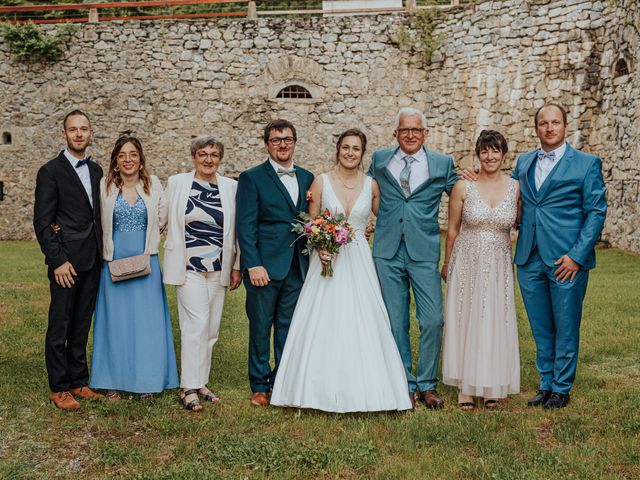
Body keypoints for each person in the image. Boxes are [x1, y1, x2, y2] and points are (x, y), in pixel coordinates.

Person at [461, 104, 607, 408]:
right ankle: (544, 384)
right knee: (540, 326)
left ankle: (561, 388)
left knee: (566, 324)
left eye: (555, 123)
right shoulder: (525, 163)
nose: (549, 128)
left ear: (565, 126)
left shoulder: (586, 164)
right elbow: (502, 189)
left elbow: (595, 212)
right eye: (543, 123)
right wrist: (474, 175)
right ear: (536, 128)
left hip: (566, 260)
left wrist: (577, 256)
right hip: (529, 257)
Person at [271, 129, 412, 413]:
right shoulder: (320, 181)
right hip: (326, 258)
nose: (350, 152)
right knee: (322, 318)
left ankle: (369, 388)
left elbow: (384, 219)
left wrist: (368, 230)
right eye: (346, 147)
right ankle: (313, 389)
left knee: (363, 318)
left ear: (362, 153)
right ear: (338, 150)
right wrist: (319, 244)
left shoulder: (372, 184)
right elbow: (310, 223)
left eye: (356, 148)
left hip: (358, 259)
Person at [368, 107, 457, 409]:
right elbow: (362, 188)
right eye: (404, 130)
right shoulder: (380, 160)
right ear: (395, 133)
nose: (410, 135)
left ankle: (428, 384)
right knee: (395, 321)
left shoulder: (442, 164)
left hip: (424, 250)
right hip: (387, 250)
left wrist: (477, 177)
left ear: (425, 134)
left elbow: (460, 192)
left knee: (432, 319)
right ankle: (403, 382)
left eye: (416, 130)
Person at [89, 133, 179, 400]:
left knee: (147, 326)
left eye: (133, 155)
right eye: (122, 156)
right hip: (113, 264)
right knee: (114, 325)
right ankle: (113, 381)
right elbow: (91, 217)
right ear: (116, 161)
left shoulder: (154, 185)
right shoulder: (104, 186)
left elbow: (163, 218)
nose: (128, 160)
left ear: (141, 160)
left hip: (146, 264)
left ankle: (147, 381)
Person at [236, 119, 315, 407]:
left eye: (287, 139)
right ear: (267, 144)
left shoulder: (308, 178)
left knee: (288, 327)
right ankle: (259, 385)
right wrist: (253, 264)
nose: (282, 144)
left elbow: (313, 219)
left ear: (295, 142)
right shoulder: (252, 177)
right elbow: (245, 226)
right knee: (260, 326)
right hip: (265, 268)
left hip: (298, 266)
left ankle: (282, 382)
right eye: (276, 139)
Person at [160, 135, 242, 412]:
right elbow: (159, 218)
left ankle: (202, 381)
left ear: (221, 158)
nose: (208, 159)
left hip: (218, 268)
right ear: (194, 156)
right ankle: (187, 388)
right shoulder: (177, 183)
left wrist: (236, 266)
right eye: (203, 154)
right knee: (195, 324)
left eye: (214, 155)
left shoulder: (231, 187)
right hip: (188, 267)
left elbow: (236, 231)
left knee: (211, 329)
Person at [441, 130, 520, 410]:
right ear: (478, 154)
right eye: (485, 151)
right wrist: (447, 263)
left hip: (499, 263)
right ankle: (465, 387)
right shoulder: (464, 187)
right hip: (467, 260)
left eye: (495, 151)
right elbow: (451, 229)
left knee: (494, 320)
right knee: (466, 318)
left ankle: (490, 386)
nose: (490, 156)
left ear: (503, 154)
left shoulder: (515, 188)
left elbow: (522, 222)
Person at [33, 110, 105, 410]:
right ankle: (59, 387)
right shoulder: (50, 172)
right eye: (73, 129)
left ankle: (78, 381)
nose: (78, 134)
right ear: (64, 134)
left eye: (83, 129)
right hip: (66, 263)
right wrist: (58, 260)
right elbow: (43, 220)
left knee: (81, 324)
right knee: (60, 324)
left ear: (90, 133)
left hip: (93, 258)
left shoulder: (98, 170)